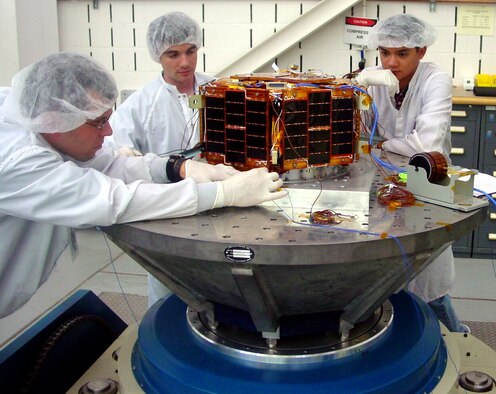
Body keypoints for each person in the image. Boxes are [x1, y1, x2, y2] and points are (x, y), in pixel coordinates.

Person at [0, 52, 287, 319]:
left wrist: (179, 168)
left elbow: (108, 165)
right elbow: (110, 200)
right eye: (99, 123)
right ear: (55, 121)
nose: (110, 131)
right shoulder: (17, 158)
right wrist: (223, 194)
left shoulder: (36, 116)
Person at [357, 14, 467, 333]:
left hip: (427, 181)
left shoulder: (435, 80)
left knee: (428, 274)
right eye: (384, 53)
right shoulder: (375, 79)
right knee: (385, 271)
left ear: (421, 51)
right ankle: (399, 335)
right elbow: (357, 133)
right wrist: (358, 86)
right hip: (382, 185)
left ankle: (456, 337)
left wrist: (381, 143)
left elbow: (426, 143)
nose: (391, 62)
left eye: (402, 53)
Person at [105, 12, 214, 306]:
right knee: (169, 284)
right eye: (173, 54)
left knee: (218, 282)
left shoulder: (218, 91)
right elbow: (114, 153)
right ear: (158, 56)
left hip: (220, 202)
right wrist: (123, 153)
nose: (185, 62)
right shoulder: (141, 105)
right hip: (168, 211)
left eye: (191, 51)